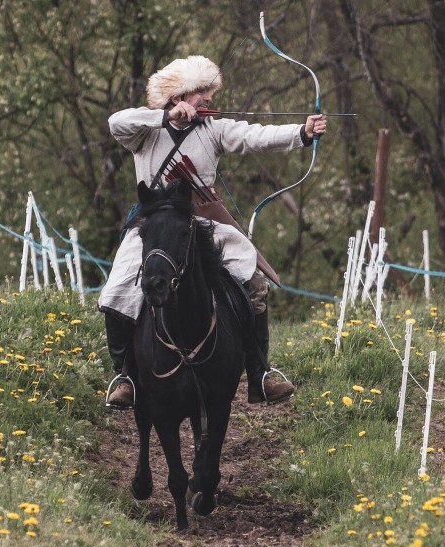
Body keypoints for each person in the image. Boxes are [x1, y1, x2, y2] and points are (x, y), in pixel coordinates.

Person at [100, 55, 327, 409]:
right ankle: (124, 376)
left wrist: (302, 132)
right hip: (154, 225)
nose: (207, 98)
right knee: (117, 289)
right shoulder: (144, 132)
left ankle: (259, 375)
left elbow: (256, 136)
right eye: (198, 92)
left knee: (253, 280)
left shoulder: (215, 129)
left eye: (209, 91)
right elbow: (117, 122)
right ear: (177, 97)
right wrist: (164, 117)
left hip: (201, 222)